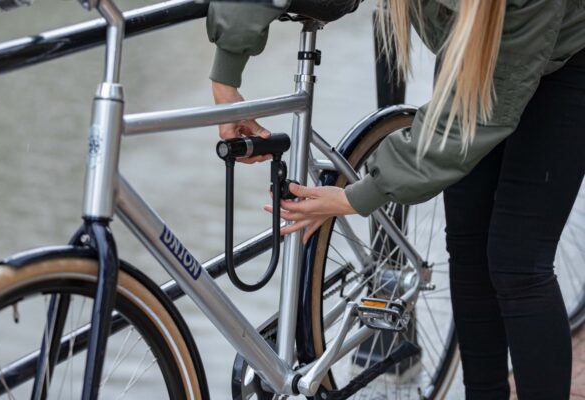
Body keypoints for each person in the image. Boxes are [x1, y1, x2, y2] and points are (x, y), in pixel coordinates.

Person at [206, 1, 585, 398]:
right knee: (468, 248)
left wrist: (358, 195)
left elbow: (484, 111)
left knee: (516, 264)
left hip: (563, 56)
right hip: (473, 47)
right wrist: (226, 78)